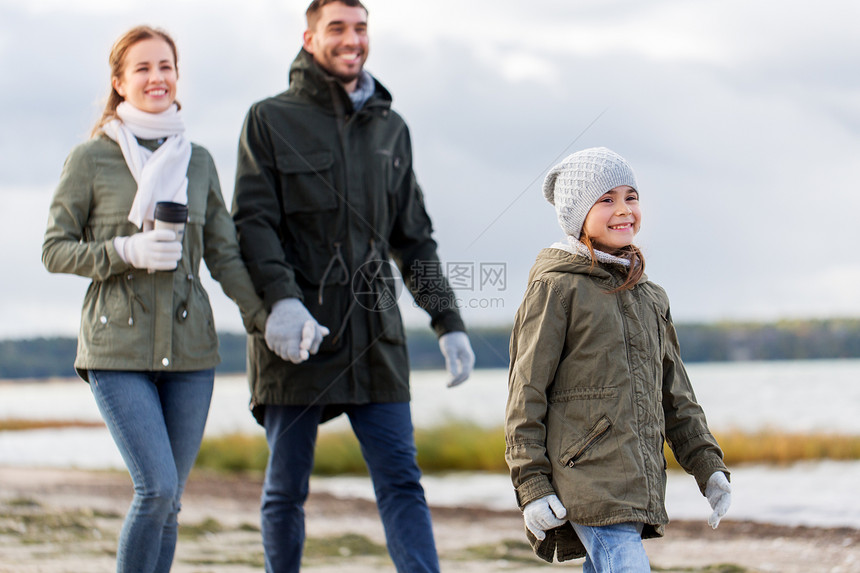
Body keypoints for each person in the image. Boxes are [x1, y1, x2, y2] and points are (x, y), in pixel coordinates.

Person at [231, 1, 475, 571]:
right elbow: (253, 225)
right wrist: (282, 304)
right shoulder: (269, 120)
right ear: (310, 38)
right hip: (297, 339)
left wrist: (449, 323)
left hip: (375, 339)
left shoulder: (392, 128)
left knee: (402, 483)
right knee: (286, 489)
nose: (351, 39)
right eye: (336, 28)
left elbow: (413, 239)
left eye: (360, 28)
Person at [42, 25, 268, 573]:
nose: (156, 77)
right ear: (119, 82)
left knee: (171, 502)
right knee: (156, 488)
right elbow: (54, 250)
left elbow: (225, 256)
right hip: (116, 352)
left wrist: (266, 319)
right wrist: (125, 248)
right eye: (142, 68)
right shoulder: (90, 160)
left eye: (165, 66)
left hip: (191, 354)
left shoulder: (201, 162)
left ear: (177, 76)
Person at [504, 147, 732, 570]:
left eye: (631, 196)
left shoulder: (650, 297)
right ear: (578, 215)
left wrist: (707, 466)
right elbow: (525, 393)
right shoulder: (556, 289)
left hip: (637, 477)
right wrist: (532, 485)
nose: (624, 210)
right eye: (606, 199)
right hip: (583, 476)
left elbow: (676, 396)